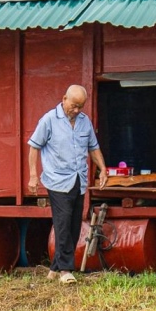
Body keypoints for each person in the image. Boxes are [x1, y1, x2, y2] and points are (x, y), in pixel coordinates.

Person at [26, 84, 106, 283]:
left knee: (74, 225)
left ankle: (54, 268)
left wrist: (103, 169)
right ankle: (65, 270)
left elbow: (93, 148)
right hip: (57, 180)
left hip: (78, 181)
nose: (77, 110)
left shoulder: (84, 122)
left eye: (81, 106)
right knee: (62, 224)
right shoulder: (49, 120)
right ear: (64, 99)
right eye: (74, 105)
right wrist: (33, 176)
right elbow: (34, 148)